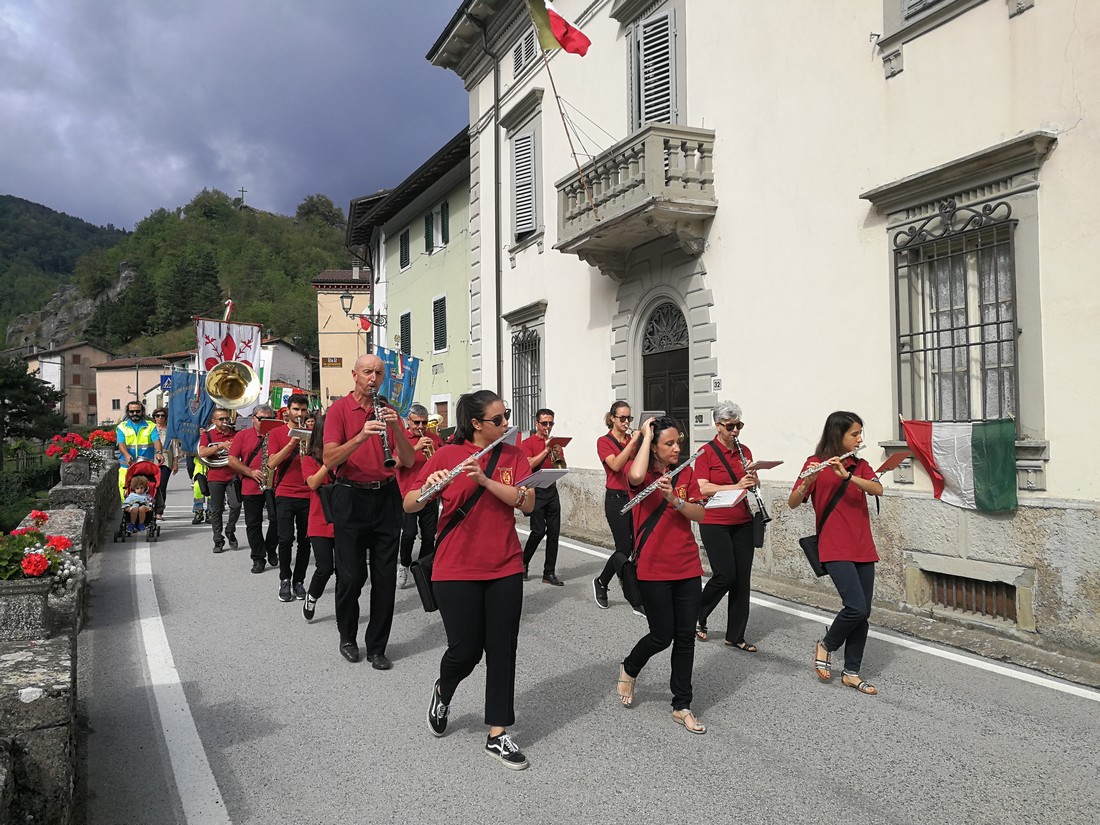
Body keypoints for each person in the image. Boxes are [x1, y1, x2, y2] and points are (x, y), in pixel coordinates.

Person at [404, 390, 536, 770]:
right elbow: (409, 503)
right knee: (466, 651)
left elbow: (527, 503)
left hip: (505, 565)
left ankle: (498, 733)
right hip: (456, 568)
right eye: (499, 419)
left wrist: (485, 479)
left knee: (502, 649)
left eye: (506, 415)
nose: (506, 423)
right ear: (476, 424)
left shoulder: (514, 455)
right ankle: (444, 690)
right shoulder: (446, 454)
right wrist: (432, 488)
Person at [323, 354, 415, 668]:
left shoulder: (390, 412)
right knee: (350, 576)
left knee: (385, 578)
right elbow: (330, 459)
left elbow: (410, 460)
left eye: (378, 373)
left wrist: (397, 431)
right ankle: (347, 635)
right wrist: (362, 434)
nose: (373, 378)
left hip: (386, 496)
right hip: (350, 497)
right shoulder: (338, 410)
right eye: (367, 372)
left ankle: (377, 647)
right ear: (355, 375)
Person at [617, 417, 707, 735]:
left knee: (685, 638)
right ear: (653, 447)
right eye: (668, 443)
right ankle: (630, 666)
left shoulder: (685, 473)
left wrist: (674, 499)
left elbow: (700, 513)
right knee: (661, 635)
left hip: (687, 566)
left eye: (678, 442)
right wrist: (643, 437)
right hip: (653, 568)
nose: (676, 448)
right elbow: (636, 475)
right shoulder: (642, 470)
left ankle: (682, 704)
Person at [788, 411, 882, 695]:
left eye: (859, 433)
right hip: (834, 545)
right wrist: (807, 482)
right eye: (854, 434)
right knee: (854, 605)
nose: (859, 439)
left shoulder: (859, 464)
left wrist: (849, 476)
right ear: (837, 435)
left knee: (863, 612)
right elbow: (793, 502)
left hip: (863, 545)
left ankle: (852, 671)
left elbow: (877, 488)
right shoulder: (814, 464)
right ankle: (827, 644)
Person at [694, 402, 760, 651]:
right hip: (714, 521)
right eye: (730, 426)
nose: (735, 431)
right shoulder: (706, 453)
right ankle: (697, 614)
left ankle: (736, 635)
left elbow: (750, 485)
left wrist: (753, 481)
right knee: (725, 576)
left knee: (742, 580)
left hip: (742, 520)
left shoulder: (745, 451)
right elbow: (702, 487)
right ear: (718, 425)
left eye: (739, 426)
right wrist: (735, 486)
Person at [592, 401, 645, 613]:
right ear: (612, 418)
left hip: (635, 497)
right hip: (616, 499)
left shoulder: (632, 440)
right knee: (623, 547)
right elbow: (615, 465)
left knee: (635, 547)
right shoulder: (604, 441)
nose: (626, 422)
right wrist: (632, 444)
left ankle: (611, 580)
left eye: (629, 418)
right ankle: (602, 583)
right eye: (622, 418)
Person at [267, 394, 313, 602]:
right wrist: (292, 442)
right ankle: (285, 578)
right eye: (296, 410)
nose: (300, 414)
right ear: (288, 411)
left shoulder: (313, 433)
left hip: (308, 492)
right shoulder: (276, 433)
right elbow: (271, 463)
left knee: (305, 541)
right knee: (285, 539)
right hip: (285, 492)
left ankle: (299, 581)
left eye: (303, 410)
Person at [228, 405, 281, 573]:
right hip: (251, 485)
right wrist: (250, 472)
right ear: (253, 418)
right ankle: (258, 558)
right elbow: (232, 459)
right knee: (253, 524)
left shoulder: (278, 434)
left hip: (274, 485)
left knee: (277, 520)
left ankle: (271, 548)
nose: (266, 423)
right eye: (261, 419)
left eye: (270, 419)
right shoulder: (243, 435)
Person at [396, 403, 443, 589]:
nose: (421, 427)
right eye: (417, 423)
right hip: (407, 495)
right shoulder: (401, 439)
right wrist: (415, 448)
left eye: (424, 423)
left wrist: (435, 455)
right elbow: (394, 464)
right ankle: (404, 564)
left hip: (430, 494)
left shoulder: (434, 439)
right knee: (408, 534)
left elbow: (443, 463)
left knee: (429, 535)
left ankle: (424, 569)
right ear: (409, 421)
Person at [521, 408, 565, 585]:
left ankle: (549, 572)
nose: (548, 426)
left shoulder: (555, 444)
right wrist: (546, 450)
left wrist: (555, 452)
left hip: (551, 490)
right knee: (538, 531)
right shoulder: (528, 443)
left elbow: (560, 466)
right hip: (536, 491)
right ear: (536, 424)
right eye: (544, 423)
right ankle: (523, 563)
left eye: (551, 423)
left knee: (554, 533)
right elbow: (529, 464)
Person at [301, 414, 335, 621]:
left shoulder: (344, 455)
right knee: (325, 567)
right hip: (320, 521)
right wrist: (328, 464)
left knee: (345, 570)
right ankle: (312, 596)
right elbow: (313, 483)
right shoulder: (308, 459)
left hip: (343, 520)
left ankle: (345, 607)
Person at [197, 408, 241, 554]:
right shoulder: (208, 435)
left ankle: (230, 529)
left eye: (226, 419)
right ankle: (218, 540)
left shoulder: (235, 433)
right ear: (213, 421)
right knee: (217, 510)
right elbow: (202, 452)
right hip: (215, 476)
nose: (225, 421)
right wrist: (220, 446)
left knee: (236, 505)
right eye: (221, 419)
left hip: (233, 474)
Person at [116, 401, 163, 500]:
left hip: (145, 467)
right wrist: (126, 455)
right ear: (128, 412)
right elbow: (121, 444)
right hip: (127, 465)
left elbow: (156, 441)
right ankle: (126, 511)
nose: (134, 414)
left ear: (142, 412)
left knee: (150, 490)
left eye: (137, 411)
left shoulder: (150, 426)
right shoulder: (122, 427)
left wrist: (159, 453)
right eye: (132, 411)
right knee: (124, 491)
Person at [151, 407, 178, 518]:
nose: (160, 418)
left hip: (166, 459)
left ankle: (159, 511)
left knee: (162, 485)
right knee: (152, 485)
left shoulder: (170, 430)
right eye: (157, 416)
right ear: (154, 417)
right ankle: (150, 509)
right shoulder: (151, 429)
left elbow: (175, 447)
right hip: (152, 459)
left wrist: (175, 462)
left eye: (162, 415)